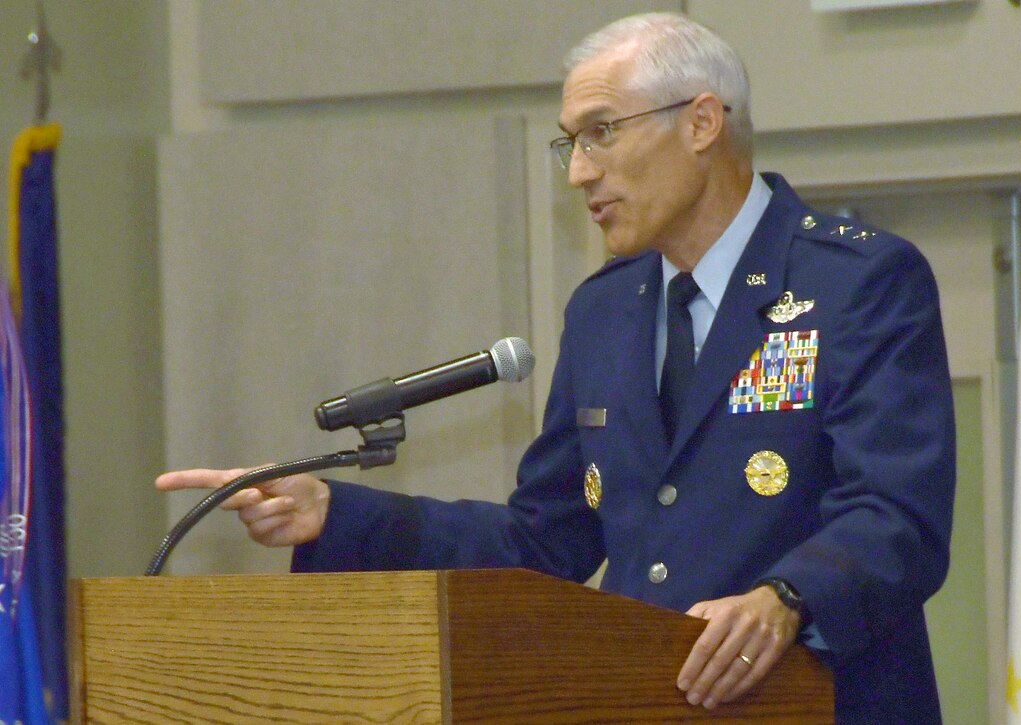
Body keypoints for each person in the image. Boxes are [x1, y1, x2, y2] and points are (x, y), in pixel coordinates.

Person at [157, 12, 955, 722]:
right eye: (570, 142)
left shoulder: (854, 282)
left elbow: (898, 514)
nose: (578, 171)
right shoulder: (605, 311)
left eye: (602, 131)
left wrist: (787, 597)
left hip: (821, 703)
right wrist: (336, 512)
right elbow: (544, 543)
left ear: (702, 122)